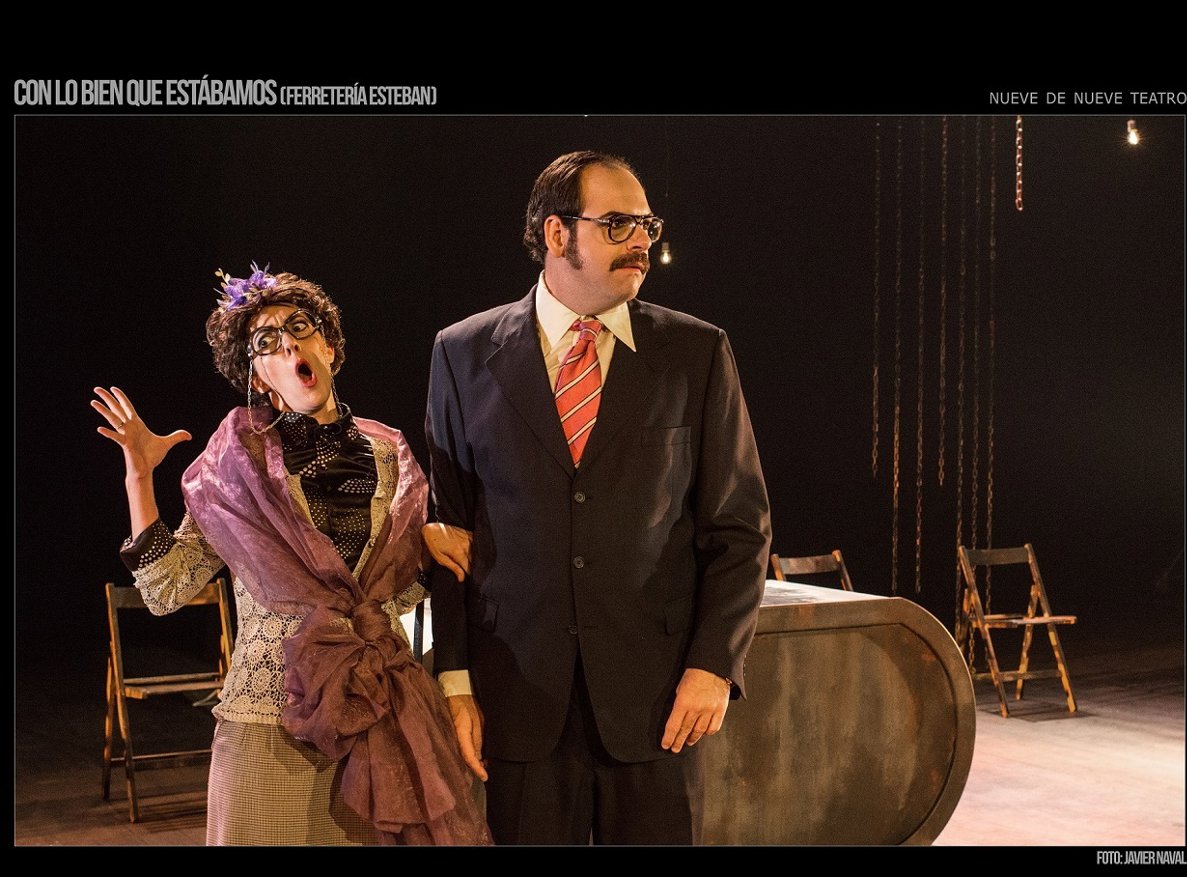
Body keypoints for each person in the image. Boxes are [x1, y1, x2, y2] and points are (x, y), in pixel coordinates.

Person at [425, 151, 772, 844]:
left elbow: (740, 528)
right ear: (557, 234)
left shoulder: (697, 352)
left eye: (647, 224)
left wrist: (713, 665)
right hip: (516, 703)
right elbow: (448, 532)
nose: (641, 240)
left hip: (659, 707)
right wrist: (454, 680)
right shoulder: (461, 353)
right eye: (617, 224)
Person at [92, 264, 490, 845]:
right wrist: (138, 477)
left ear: (328, 347)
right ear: (258, 376)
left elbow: (393, 593)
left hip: (375, 716)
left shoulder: (390, 456)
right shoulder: (237, 468)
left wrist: (424, 544)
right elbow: (166, 589)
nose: (288, 345)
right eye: (266, 342)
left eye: (299, 328)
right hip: (269, 724)